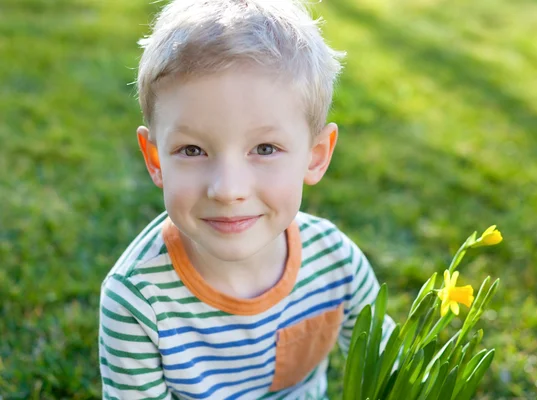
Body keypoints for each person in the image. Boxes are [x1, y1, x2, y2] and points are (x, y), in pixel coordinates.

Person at [98, 0, 396, 398]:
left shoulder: (335, 261)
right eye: (192, 150)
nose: (227, 189)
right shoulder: (137, 301)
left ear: (316, 155)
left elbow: (391, 370)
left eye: (266, 148)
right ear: (155, 159)